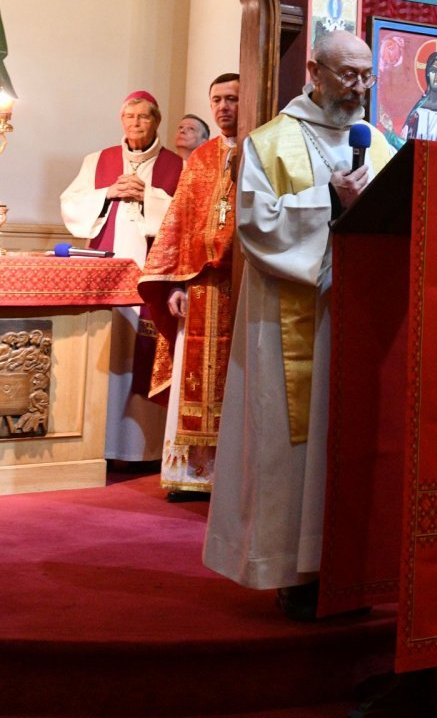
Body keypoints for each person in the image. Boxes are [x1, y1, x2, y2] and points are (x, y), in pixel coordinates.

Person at [203, 32, 393, 619]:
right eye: (347, 76)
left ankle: (353, 566)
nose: (359, 88)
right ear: (314, 70)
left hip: (359, 322)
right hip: (290, 321)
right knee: (292, 446)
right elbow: (255, 226)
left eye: (366, 76)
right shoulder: (271, 141)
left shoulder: (378, 143)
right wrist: (328, 200)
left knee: (352, 443)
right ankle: (294, 571)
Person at [60, 90, 183, 463]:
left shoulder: (175, 165)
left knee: (143, 351)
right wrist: (108, 192)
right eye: (128, 118)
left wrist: (149, 196)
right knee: (107, 350)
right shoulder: (98, 160)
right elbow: (71, 203)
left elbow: (184, 216)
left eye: (142, 118)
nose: (134, 124)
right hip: (104, 272)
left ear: (156, 121)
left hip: (152, 276)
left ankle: (140, 450)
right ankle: (98, 445)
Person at [139, 75, 240, 499]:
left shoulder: (262, 152)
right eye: (216, 99)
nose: (223, 108)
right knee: (192, 376)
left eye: (232, 99)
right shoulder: (200, 159)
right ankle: (190, 475)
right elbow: (179, 224)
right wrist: (176, 283)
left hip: (240, 284)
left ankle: (232, 473)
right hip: (198, 286)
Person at [384, 49, 437, 147]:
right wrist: (391, 133)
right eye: (433, 71)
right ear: (428, 73)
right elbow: (406, 148)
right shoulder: (418, 112)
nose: (436, 76)